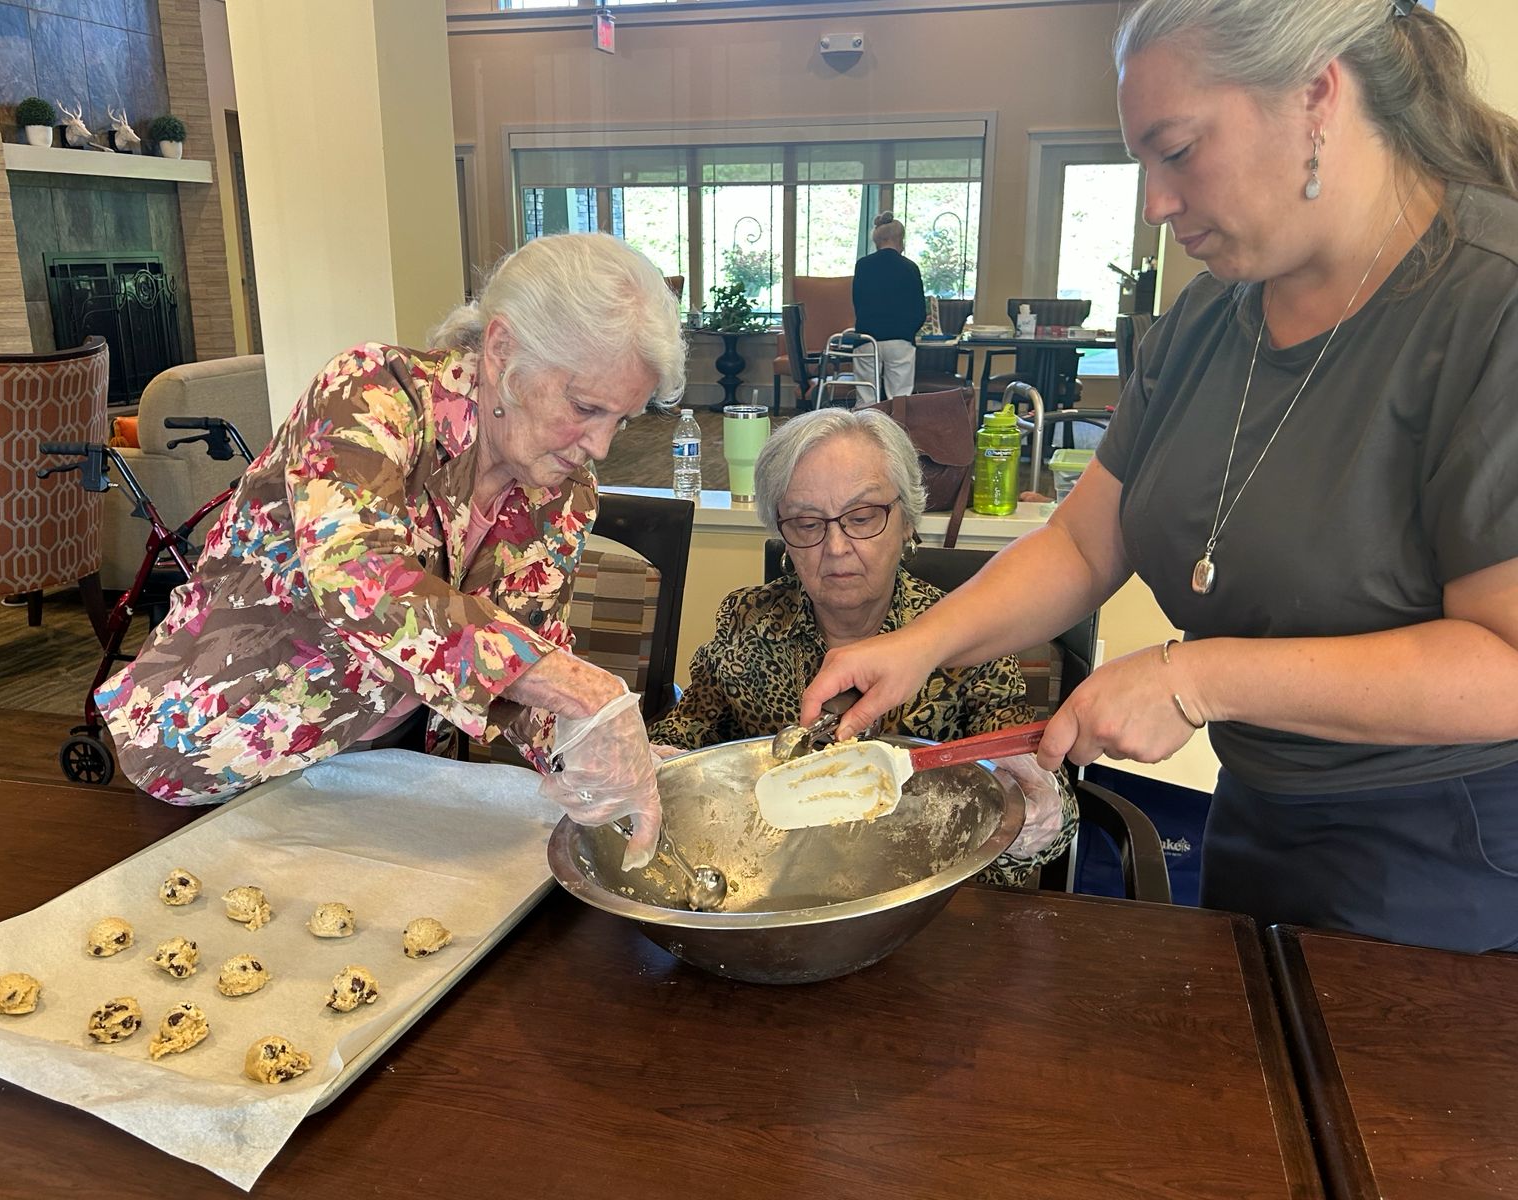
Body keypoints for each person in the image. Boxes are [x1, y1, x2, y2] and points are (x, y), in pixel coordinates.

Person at [799, 0, 1518, 952]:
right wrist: (922, 644)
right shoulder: (1213, 319)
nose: (1156, 205)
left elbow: (1505, 663)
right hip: (1257, 818)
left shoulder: (1489, 305)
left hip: (1451, 864)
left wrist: (1193, 677)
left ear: (1317, 96)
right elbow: (1086, 540)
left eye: (1175, 151)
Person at [96, 233, 686, 869]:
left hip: (376, 783)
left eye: (621, 419)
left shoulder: (561, 490)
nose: (599, 445)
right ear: (502, 349)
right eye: (585, 406)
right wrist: (586, 692)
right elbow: (360, 580)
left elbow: (524, 659)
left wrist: (606, 751)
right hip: (215, 760)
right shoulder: (371, 395)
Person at [649, 407, 1076, 885]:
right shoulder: (749, 620)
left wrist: (1041, 813)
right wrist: (655, 761)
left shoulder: (963, 637)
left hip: (927, 897)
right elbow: (689, 734)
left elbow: (1041, 801)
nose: (835, 547)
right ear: (782, 534)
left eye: (863, 516)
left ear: (907, 521)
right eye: (807, 524)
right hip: (774, 883)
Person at [850, 212, 927, 404]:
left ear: (877, 241)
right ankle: (896, 431)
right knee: (900, 398)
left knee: (866, 398)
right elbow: (919, 310)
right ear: (900, 239)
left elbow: (857, 302)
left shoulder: (863, 266)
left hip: (867, 339)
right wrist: (908, 330)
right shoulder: (910, 268)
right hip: (900, 339)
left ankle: (863, 431)